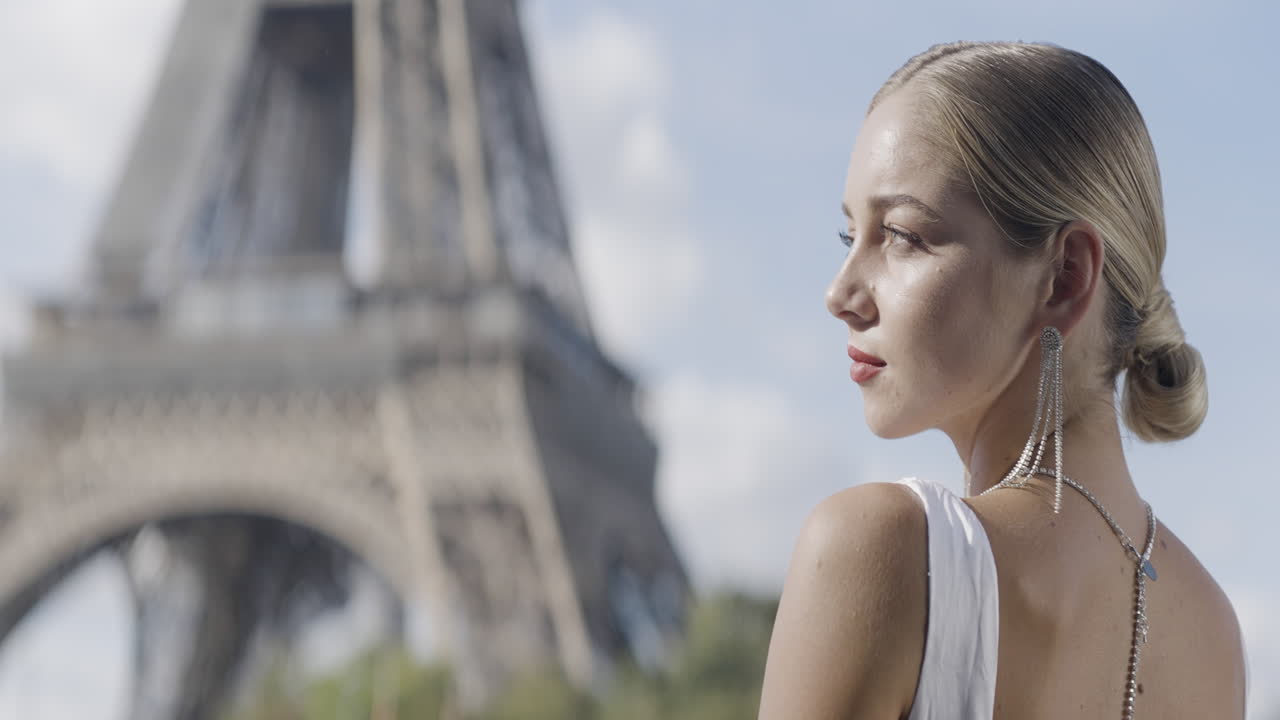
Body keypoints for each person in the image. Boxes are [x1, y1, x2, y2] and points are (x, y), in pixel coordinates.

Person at [757, 42, 1248, 719]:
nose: (840, 293)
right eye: (851, 238)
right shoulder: (1212, 630)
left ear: (1065, 276)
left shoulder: (880, 549)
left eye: (902, 235)